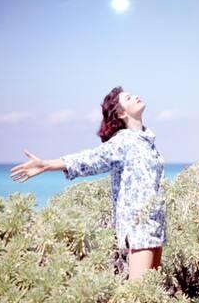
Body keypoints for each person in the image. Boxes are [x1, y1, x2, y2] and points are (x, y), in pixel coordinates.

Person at [9, 86, 167, 281]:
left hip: (155, 223)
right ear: (121, 112)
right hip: (138, 225)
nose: (135, 96)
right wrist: (46, 165)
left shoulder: (146, 140)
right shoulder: (124, 141)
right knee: (140, 294)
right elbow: (90, 159)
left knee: (153, 292)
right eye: (128, 98)